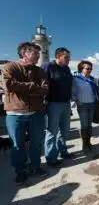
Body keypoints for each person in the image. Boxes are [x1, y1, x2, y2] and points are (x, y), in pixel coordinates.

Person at [2, 42, 49, 185]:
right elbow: (8, 85)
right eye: (35, 53)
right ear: (24, 53)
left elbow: (45, 89)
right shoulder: (10, 67)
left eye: (39, 54)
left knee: (36, 143)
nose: (38, 56)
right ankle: (20, 171)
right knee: (17, 144)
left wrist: (23, 88)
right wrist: (33, 86)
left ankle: (35, 166)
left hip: (36, 113)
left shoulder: (40, 71)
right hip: (15, 114)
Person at [42, 47, 72, 167]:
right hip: (53, 103)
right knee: (52, 132)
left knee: (64, 130)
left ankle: (63, 151)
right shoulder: (47, 66)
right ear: (58, 56)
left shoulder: (67, 68)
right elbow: (42, 84)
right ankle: (51, 158)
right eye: (66, 57)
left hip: (66, 103)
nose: (69, 60)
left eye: (69, 57)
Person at [72, 61, 99, 151]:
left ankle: (88, 142)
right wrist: (76, 100)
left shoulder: (92, 79)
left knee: (90, 125)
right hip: (82, 105)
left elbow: (95, 92)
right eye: (87, 68)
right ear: (81, 69)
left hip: (92, 104)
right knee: (84, 125)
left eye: (90, 68)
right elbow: (73, 92)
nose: (89, 70)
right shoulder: (76, 79)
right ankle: (84, 145)